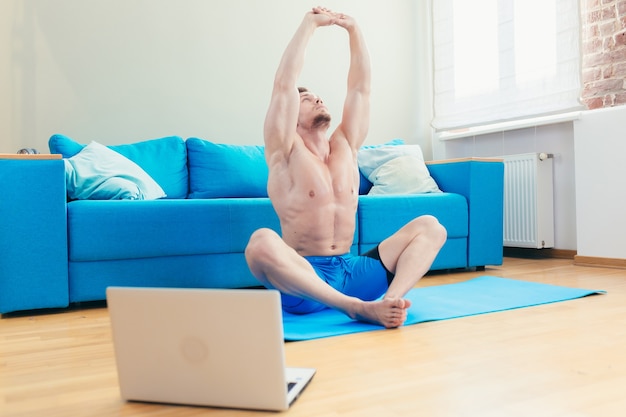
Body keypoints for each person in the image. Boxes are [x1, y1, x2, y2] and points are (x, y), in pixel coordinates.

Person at [245, 7, 446, 329]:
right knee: (260, 242)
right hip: (306, 281)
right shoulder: (283, 151)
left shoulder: (346, 145)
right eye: (308, 99)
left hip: (353, 271)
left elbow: (360, 89)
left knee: (431, 226)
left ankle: (389, 302)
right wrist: (310, 24)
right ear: (289, 115)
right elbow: (284, 84)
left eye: (318, 97)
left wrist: (353, 31)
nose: (319, 100)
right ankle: (355, 308)